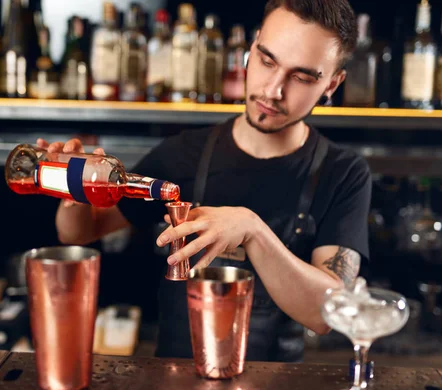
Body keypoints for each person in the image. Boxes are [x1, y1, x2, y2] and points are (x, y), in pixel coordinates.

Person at [38, 0, 371, 362]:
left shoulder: (343, 173)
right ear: (252, 47)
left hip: (279, 387)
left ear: (332, 83)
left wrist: (253, 231)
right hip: (174, 380)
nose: (273, 90)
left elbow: (327, 315)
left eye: (302, 76)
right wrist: (74, 187)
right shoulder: (182, 154)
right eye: (267, 60)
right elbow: (77, 233)